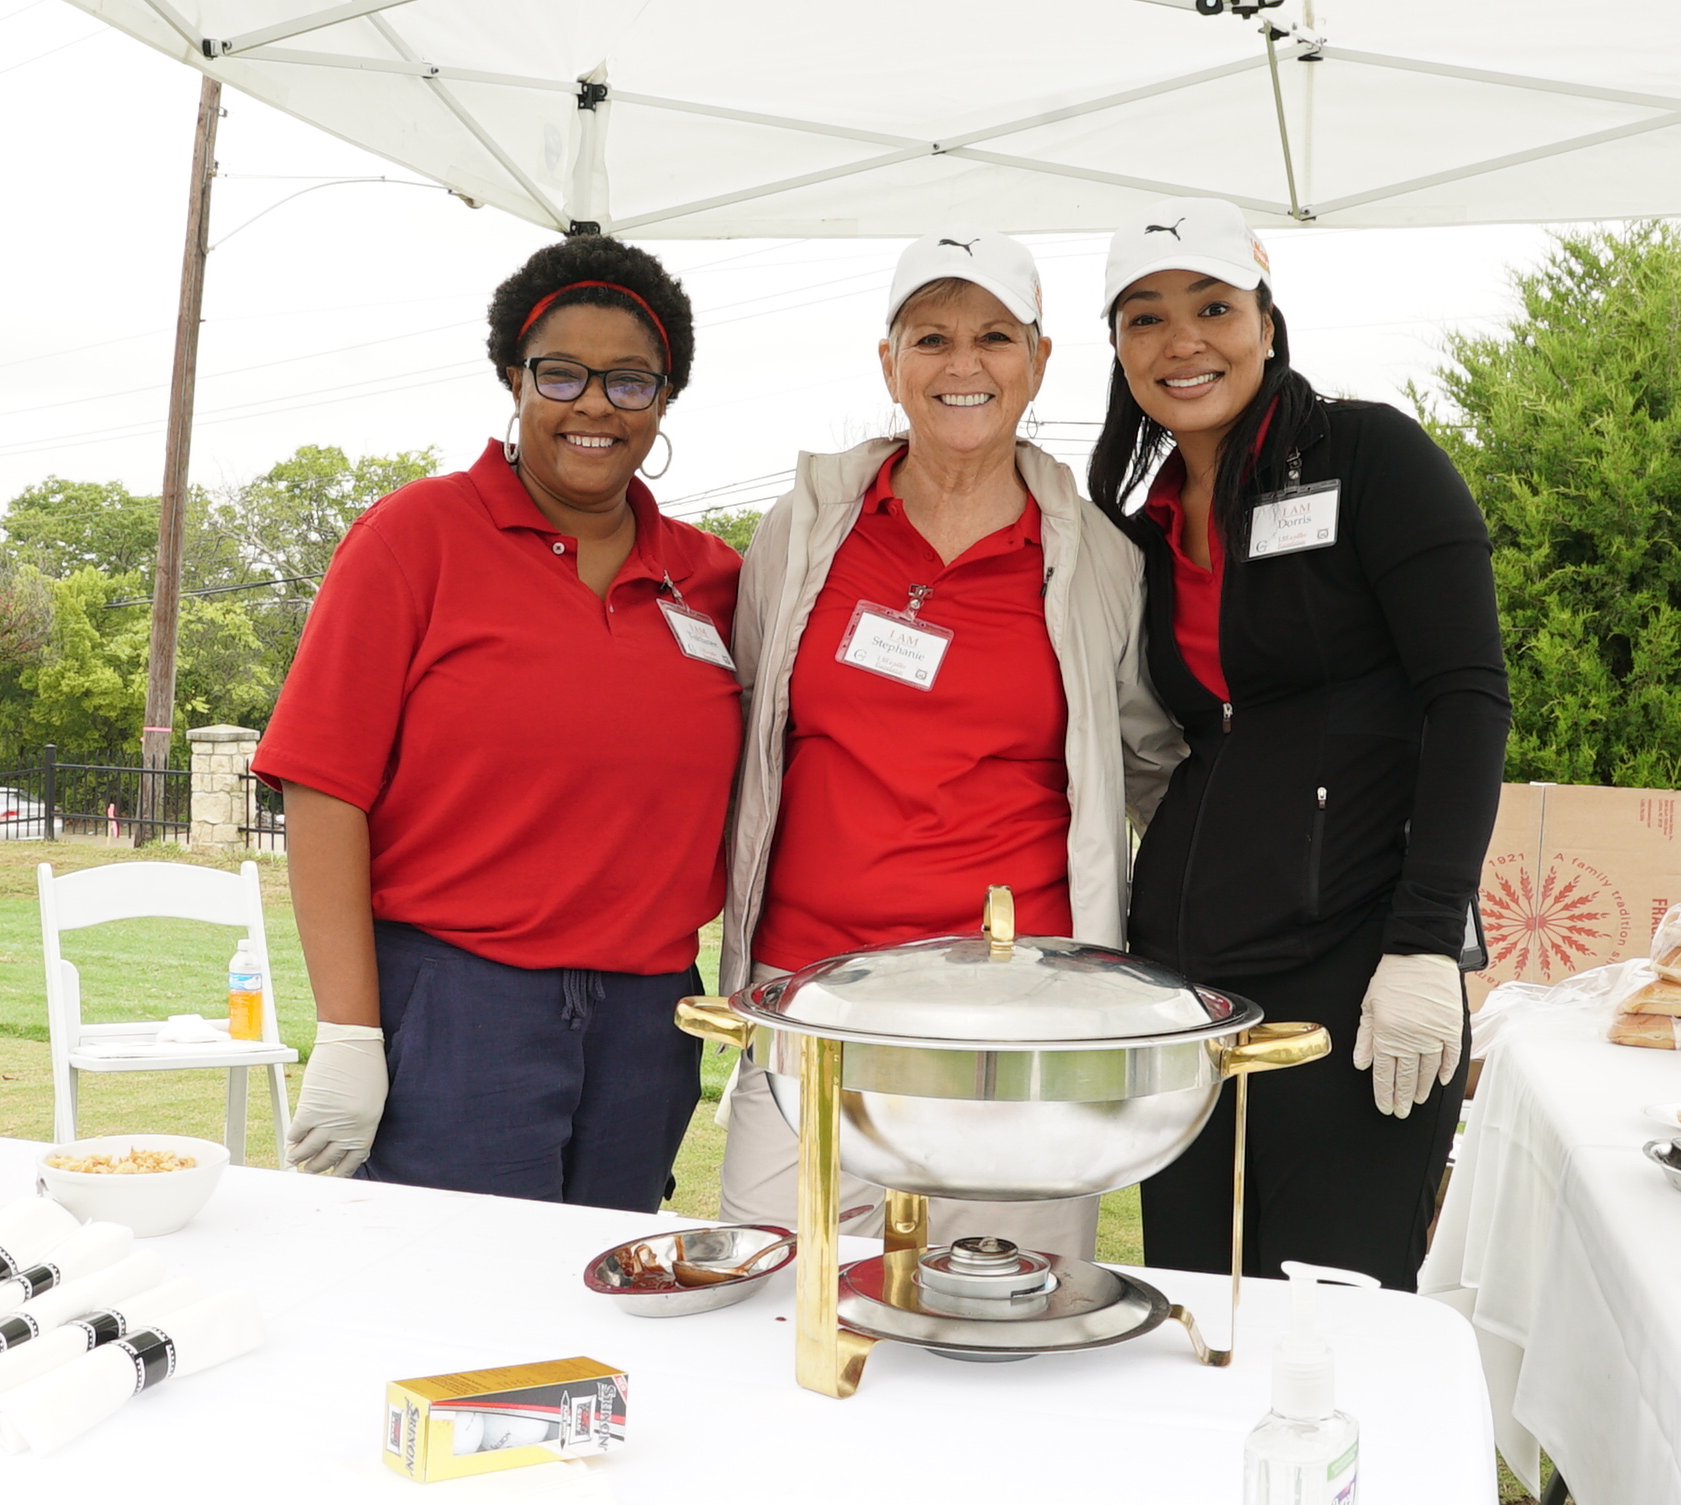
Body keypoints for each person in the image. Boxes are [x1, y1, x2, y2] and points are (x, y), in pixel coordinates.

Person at [715, 227, 1182, 1256]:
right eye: (929, 338)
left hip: (1016, 1032)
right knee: (771, 1305)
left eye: (994, 337)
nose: (961, 365)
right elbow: (751, 718)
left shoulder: (1100, 558)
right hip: (812, 1008)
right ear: (887, 362)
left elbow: (1150, 765)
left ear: (1040, 361)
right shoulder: (807, 529)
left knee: (1000, 1330)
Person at [253, 235, 742, 1214]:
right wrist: (350, 1033)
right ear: (512, 380)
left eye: (630, 382)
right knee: (450, 1314)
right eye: (560, 374)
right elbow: (322, 788)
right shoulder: (413, 538)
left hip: (650, 1017)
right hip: (456, 1006)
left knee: (602, 1303)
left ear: (665, 399)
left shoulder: (715, 580)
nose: (594, 405)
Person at [1089, 198, 1509, 1291]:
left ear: (1265, 324)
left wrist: (1422, 946)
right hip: (1184, 978)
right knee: (1191, 1296)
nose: (1181, 342)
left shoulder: (1369, 454)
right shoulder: (1137, 522)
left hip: (1354, 968)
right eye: (1143, 318)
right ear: (1118, 351)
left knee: (1336, 1310)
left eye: (1211, 307)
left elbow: (1466, 699)